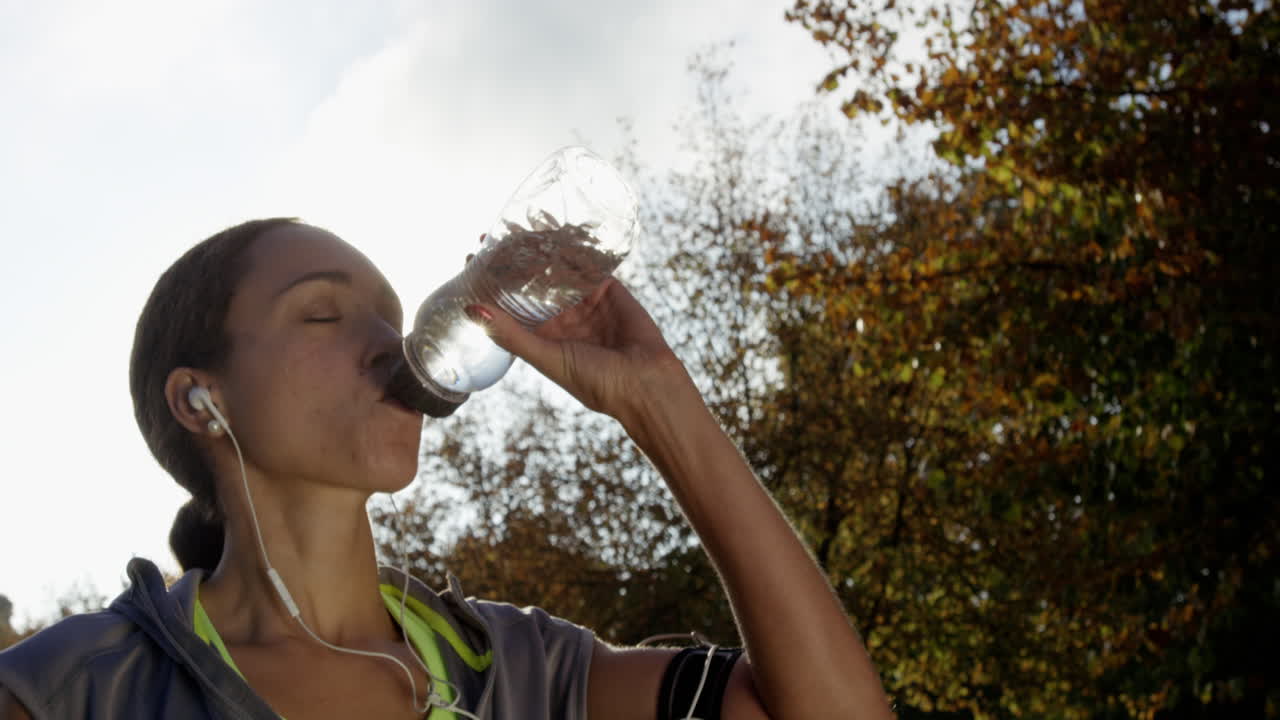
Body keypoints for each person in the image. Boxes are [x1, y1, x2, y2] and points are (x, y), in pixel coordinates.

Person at [0, 219, 891, 719]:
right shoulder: (69, 687)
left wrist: (657, 401)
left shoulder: (522, 672)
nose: (389, 341)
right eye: (321, 315)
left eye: (390, 316)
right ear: (202, 401)